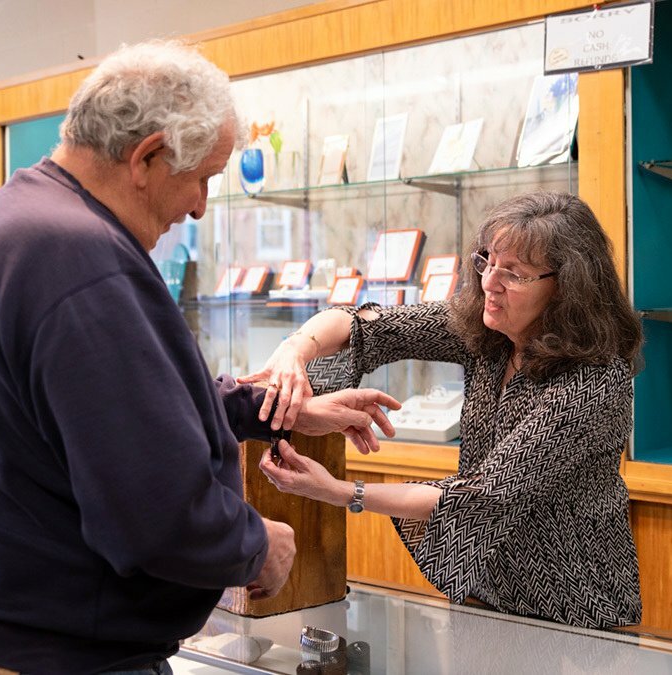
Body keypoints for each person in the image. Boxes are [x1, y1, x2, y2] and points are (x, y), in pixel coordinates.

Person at [0, 40, 398, 675]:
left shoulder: (19, 215)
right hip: (45, 659)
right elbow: (155, 512)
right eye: (201, 178)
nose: (199, 206)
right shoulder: (81, 260)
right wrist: (255, 546)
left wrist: (275, 410)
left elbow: (112, 409)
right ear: (146, 157)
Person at [243, 191, 644, 628]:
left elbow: (485, 493)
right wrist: (295, 349)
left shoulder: (594, 380)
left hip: (575, 603)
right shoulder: (491, 333)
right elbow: (366, 326)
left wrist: (342, 492)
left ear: (566, 287)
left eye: (513, 273)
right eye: (487, 261)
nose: (489, 282)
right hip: (485, 592)